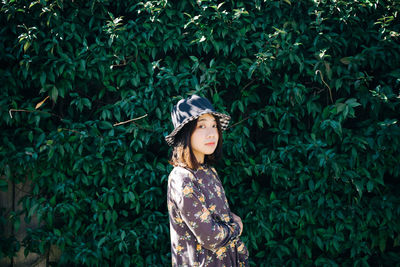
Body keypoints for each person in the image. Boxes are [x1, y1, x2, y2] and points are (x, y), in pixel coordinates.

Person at [165, 94, 249, 267]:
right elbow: (210, 237)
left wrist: (228, 223)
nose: (211, 134)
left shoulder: (208, 171)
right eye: (201, 126)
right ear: (185, 132)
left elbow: (221, 216)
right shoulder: (182, 177)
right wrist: (237, 227)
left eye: (214, 126)